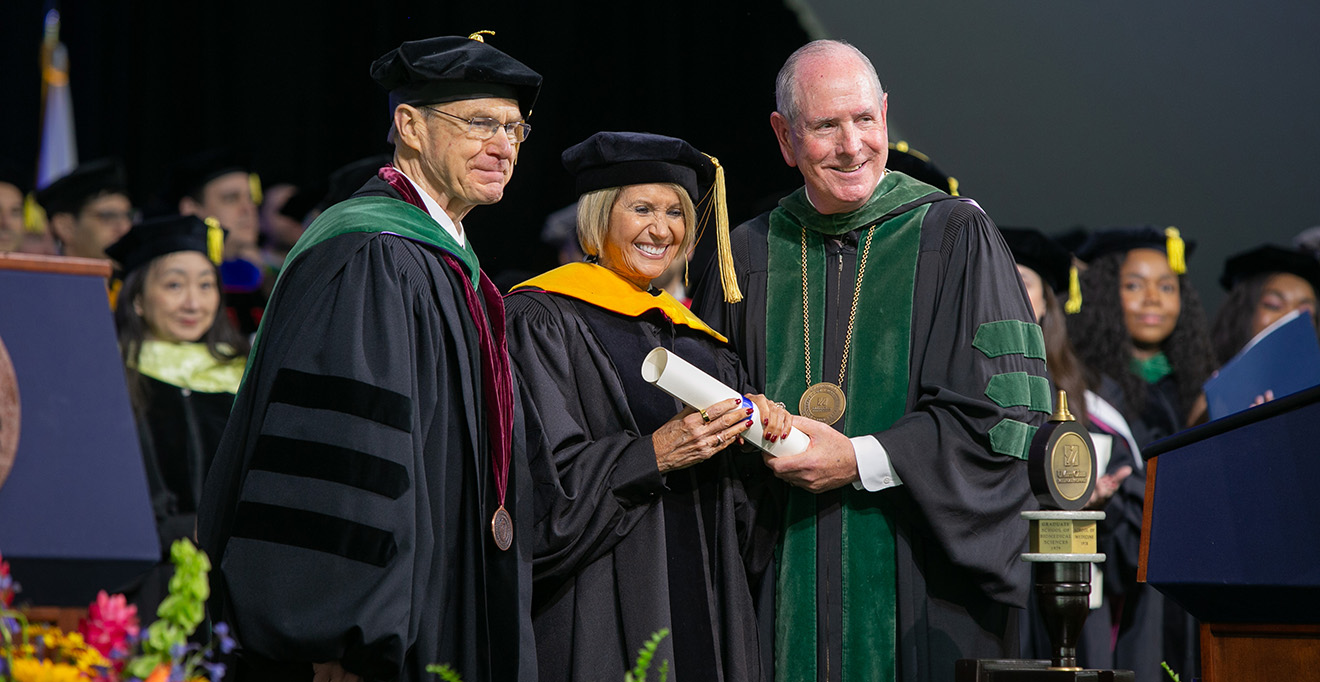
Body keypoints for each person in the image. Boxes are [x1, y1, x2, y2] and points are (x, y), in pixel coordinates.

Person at [693, 39, 1047, 682]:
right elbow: (715, 407)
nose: (853, 145)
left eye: (864, 119)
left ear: (885, 113)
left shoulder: (954, 234)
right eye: (826, 126)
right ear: (784, 136)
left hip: (922, 587)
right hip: (778, 583)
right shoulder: (745, 253)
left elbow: (1005, 416)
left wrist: (858, 459)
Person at [197, 33, 542, 682]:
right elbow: (342, 459)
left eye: (515, 128)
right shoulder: (373, 256)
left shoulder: (443, 261)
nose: (504, 146)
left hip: (433, 594)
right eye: (479, 123)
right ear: (408, 127)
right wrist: (343, 631)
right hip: (368, 642)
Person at [505, 131, 792, 682]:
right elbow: (538, 488)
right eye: (641, 209)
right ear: (597, 217)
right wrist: (652, 455)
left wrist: (756, 431)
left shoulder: (699, 341)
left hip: (704, 599)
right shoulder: (544, 321)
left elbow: (740, 517)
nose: (662, 229)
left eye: (676, 212)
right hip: (593, 598)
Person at [1067, 226, 1216, 681]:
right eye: (1134, 285)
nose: (1153, 299)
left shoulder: (1197, 385)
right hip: (1120, 573)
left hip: (1187, 571)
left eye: (1167, 287)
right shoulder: (1086, 388)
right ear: (1105, 295)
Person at [999, 227, 1141, 672]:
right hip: (997, 596)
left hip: (1077, 597)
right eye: (996, 280)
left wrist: (1101, 501)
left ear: (1047, 304)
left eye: (1021, 281)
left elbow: (1136, 518)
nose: (1007, 292)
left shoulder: (1096, 406)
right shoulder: (960, 393)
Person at [104, 214, 248, 618]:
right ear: (136, 298)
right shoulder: (113, 375)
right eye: (174, 285)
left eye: (206, 285)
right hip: (147, 579)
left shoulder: (242, 374)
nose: (193, 302)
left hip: (233, 580)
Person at [171, 150, 267, 336]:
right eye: (231, 198)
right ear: (191, 209)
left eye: (251, 198)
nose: (248, 209)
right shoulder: (179, 289)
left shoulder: (264, 281)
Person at [1209, 244, 1319, 366]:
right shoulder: (1201, 378)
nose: (1291, 318)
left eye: (1305, 313)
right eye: (1274, 305)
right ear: (1241, 313)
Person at [34, 158, 134, 260]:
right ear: (65, 227)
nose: (125, 228)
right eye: (108, 216)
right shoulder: (37, 276)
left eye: (129, 216)